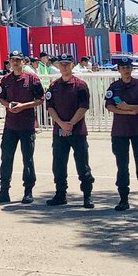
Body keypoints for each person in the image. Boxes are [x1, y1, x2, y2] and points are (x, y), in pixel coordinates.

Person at [0, 50, 44, 204]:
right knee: (6, 158)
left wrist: (24, 106)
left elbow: (40, 98)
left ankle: (28, 191)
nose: (15, 62)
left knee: (27, 159)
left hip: (26, 125)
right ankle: (4, 190)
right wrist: (9, 106)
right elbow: (1, 98)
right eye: (12, 60)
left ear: (23, 62)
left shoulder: (32, 78)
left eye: (18, 60)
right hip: (10, 125)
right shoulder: (5, 79)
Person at [105, 56, 138, 213]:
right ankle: (123, 200)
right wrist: (127, 111)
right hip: (120, 131)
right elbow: (109, 106)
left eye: (128, 68)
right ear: (119, 70)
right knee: (122, 166)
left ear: (132, 69)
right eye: (123, 68)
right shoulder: (114, 86)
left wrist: (130, 107)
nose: (126, 70)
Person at [45, 54, 94, 208]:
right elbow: (50, 107)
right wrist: (61, 124)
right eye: (62, 64)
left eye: (67, 64)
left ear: (72, 65)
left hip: (78, 131)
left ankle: (87, 196)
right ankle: (60, 194)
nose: (64, 66)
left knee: (82, 165)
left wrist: (70, 124)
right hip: (59, 132)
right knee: (58, 165)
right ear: (58, 66)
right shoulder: (54, 86)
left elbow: (84, 106)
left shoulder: (80, 85)